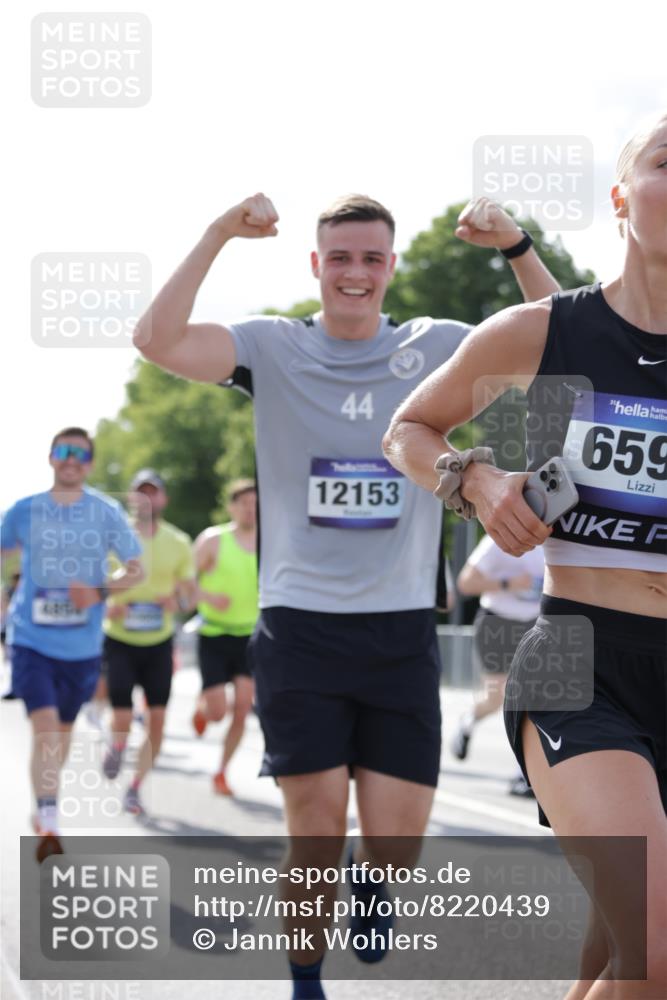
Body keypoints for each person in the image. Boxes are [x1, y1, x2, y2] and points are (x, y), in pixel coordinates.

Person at [133, 191, 559, 998]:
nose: (354, 273)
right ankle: (304, 980)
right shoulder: (272, 347)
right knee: (316, 833)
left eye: (370, 258)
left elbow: (559, 340)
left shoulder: (434, 345)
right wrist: (220, 231)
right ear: (316, 266)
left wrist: (515, 246)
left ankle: (375, 886)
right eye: (339, 257)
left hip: (399, 634)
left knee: (394, 844)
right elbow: (154, 339)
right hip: (299, 630)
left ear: (389, 266)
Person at [383, 113, 667, 1000]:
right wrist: (474, 481)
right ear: (620, 198)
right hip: (581, 658)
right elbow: (409, 429)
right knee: (657, 954)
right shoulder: (541, 332)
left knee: (618, 962)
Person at [0, 428, 143, 861]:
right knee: (44, 730)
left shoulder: (105, 511)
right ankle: (50, 818)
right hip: (31, 641)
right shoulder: (24, 511)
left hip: (81, 649)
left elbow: (135, 569)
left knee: (59, 738)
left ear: (90, 464)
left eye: (80, 453)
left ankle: (43, 801)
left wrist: (100, 591)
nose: (71, 459)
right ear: (50, 458)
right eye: (63, 451)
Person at [102, 469, 196, 816]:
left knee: (157, 721)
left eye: (153, 492)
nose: (147, 499)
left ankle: (135, 787)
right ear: (131, 498)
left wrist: (179, 603)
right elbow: (93, 585)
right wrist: (110, 603)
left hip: (158, 641)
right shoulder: (114, 535)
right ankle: (117, 743)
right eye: (140, 492)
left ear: (163, 499)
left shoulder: (178, 541)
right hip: (120, 639)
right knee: (123, 714)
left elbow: (190, 597)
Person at [453, 533, 543, 796]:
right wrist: (509, 583)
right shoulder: (497, 539)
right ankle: (469, 720)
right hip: (497, 623)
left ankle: (523, 776)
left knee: (531, 699)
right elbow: (465, 583)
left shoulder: (556, 543)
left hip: (535, 624)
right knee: (498, 697)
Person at [191, 478, 258, 796]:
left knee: (243, 706)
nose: (250, 509)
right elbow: (186, 582)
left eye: (255, 503)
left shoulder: (269, 542)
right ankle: (204, 709)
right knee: (219, 712)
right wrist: (209, 596)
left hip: (250, 635)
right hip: (215, 633)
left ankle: (221, 771)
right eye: (244, 503)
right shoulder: (213, 540)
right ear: (232, 507)